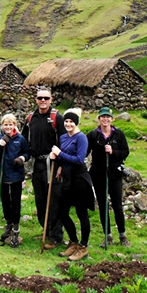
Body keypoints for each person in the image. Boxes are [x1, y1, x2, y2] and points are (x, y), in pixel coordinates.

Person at [21, 87, 67, 249]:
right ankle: (46, 230)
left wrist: (61, 164)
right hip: (37, 164)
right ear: (35, 99)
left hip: (53, 164)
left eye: (46, 98)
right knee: (40, 199)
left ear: (51, 100)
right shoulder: (30, 118)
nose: (43, 101)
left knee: (54, 200)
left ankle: (56, 236)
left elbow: (64, 143)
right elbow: (23, 139)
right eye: (40, 98)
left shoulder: (57, 118)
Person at [51, 108, 94, 261]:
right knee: (62, 212)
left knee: (81, 213)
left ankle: (83, 246)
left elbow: (79, 159)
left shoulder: (81, 137)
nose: (68, 124)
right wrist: (58, 162)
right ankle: (74, 241)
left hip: (79, 178)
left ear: (76, 123)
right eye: (66, 121)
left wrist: (60, 154)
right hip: (67, 178)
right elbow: (62, 157)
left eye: (71, 122)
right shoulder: (63, 137)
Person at [86, 106, 131, 247]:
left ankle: (123, 236)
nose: (105, 119)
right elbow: (85, 152)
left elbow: (125, 152)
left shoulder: (119, 134)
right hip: (98, 175)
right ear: (99, 119)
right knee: (103, 205)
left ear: (112, 119)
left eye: (108, 117)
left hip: (115, 174)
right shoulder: (93, 135)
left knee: (117, 205)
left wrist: (113, 152)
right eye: (102, 117)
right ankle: (108, 236)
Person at [0, 113, 30, 248]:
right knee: (5, 201)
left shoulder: (20, 139)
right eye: (5, 124)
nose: (8, 127)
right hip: (3, 175)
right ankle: (8, 224)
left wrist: (22, 159)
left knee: (16, 202)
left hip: (16, 175)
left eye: (10, 124)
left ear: (15, 125)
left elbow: (27, 153)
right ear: (2, 125)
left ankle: (16, 229)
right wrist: (0, 145)